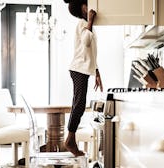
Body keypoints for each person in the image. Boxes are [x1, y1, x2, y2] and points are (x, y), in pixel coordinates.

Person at [63, 0, 103, 156]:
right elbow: (86, 42)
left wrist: (97, 73)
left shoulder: (86, 25)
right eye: (86, 5)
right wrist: (91, 21)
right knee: (79, 104)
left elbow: (91, 53)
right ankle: (70, 140)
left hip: (83, 69)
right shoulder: (82, 23)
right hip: (78, 69)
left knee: (78, 104)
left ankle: (70, 139)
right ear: (81, 9)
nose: (90, 8)